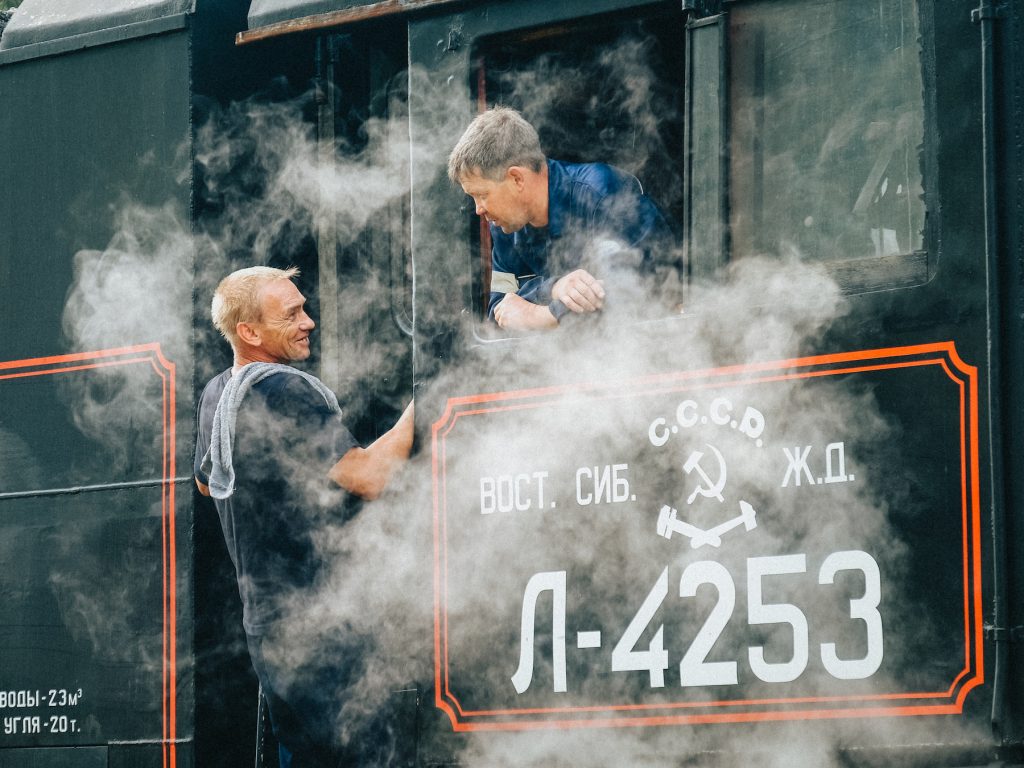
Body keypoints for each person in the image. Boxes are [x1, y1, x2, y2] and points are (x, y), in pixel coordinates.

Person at [194, 265, 414, 767]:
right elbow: (369, 478)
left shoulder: (217, 395)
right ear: (249, 332)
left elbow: (208, 484)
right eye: (291, 314)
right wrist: (429, 400)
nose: (309, 321)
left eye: (305, 308)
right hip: (321, 627)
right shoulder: (282, 390)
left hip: (266, 629)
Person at [448, 106, 674, 331]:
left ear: (516, 178)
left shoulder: (601, 193)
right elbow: (500, 306)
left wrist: (542, 315)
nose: (479, 210)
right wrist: (552, 288)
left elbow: (635, 289)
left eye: (482, 195)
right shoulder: (503, 226)